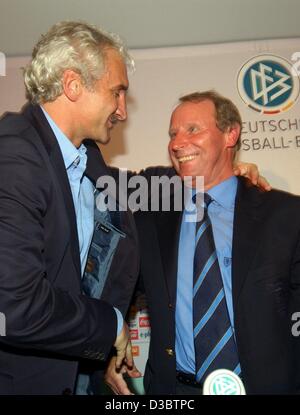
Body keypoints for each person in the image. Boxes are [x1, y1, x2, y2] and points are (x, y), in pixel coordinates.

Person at [105, 90, 300, 395]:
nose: (176, 142)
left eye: (193, 129)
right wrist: (105, 345)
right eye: (173, 133)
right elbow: (118, 285)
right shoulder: (151, 215)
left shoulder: (286, 216)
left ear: (230, 134)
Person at [0, 21, 138, 395]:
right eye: (117, 92)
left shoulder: (85, 160)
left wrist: (218, 175)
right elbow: (15, 308)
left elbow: (141, 187)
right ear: (74, 85)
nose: (123, 111)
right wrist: (110, 325)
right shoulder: (14, 155)